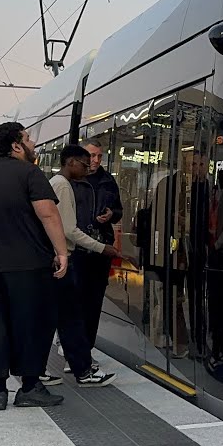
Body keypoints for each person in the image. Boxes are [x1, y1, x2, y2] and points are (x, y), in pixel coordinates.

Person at [0, 122, 69, 411]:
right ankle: (30, 386)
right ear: (16, 146)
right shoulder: (29, 173)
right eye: (28, 139)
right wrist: (62, 252)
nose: (33, 144)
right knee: (31, 325)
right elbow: (48, 214)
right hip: (28, 264)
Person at [48, 144, 118, 387]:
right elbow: (68, 229)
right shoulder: (63, 186)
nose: (88, 169)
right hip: (62, 258)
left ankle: (75, 367)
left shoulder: (61, 183)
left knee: (66, 317)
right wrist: (102, 247)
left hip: (61, 257)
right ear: (71, 163)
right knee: (70, 317)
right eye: (85, 164)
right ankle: (83, 370)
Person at [75, 140, 124, 350]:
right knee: (76, 300)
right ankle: (73, 348)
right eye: (91, 155)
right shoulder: (70, 179)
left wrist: (112, 214)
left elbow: (119, 210)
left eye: (99, 156)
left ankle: (85, 350)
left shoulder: (107, 181)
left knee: (94, 302)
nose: (95, 160)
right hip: (76, 248)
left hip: (101, 247)